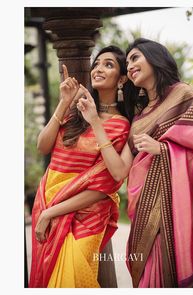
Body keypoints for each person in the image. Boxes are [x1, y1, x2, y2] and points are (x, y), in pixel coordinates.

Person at [78, 38, 193, 288]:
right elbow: (120, 171)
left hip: (176, 211)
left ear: (155, 57)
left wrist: (163, 149)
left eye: (135, 58)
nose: (130, 65)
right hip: (144, 212)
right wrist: (94, 120)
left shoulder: (184, 95)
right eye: (127, 62)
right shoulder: (138, 117)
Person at [29, 46, 133, 288]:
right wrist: (64, 103)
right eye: (97, 64)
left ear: (122, 79)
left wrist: (50, 213)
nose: (98, 69)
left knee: (73, 280)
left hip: (86, 217)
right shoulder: (76, 113)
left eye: (109, 65)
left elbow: (104, 186)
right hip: (49, 201)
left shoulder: (121, 126)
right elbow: (42, 147)